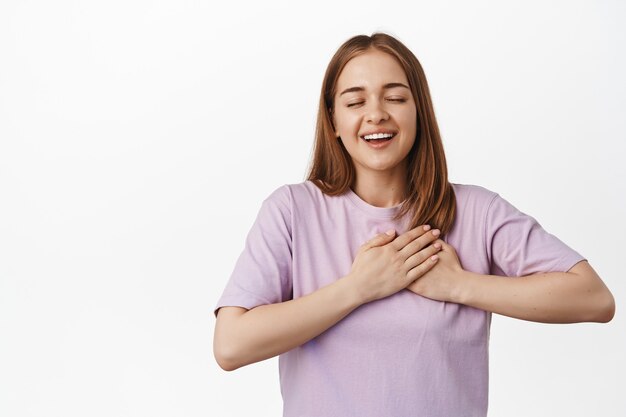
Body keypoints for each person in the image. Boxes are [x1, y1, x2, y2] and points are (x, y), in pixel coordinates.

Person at [212, 32, 615, 417]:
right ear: (332, 120)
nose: (376, 114)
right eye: (355, 102)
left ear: (418, 110)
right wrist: (358, 288)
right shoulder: (292, 211)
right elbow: (230, 345)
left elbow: (594, 298)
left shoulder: (477, 211)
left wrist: (460, 286)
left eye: (396, 97)